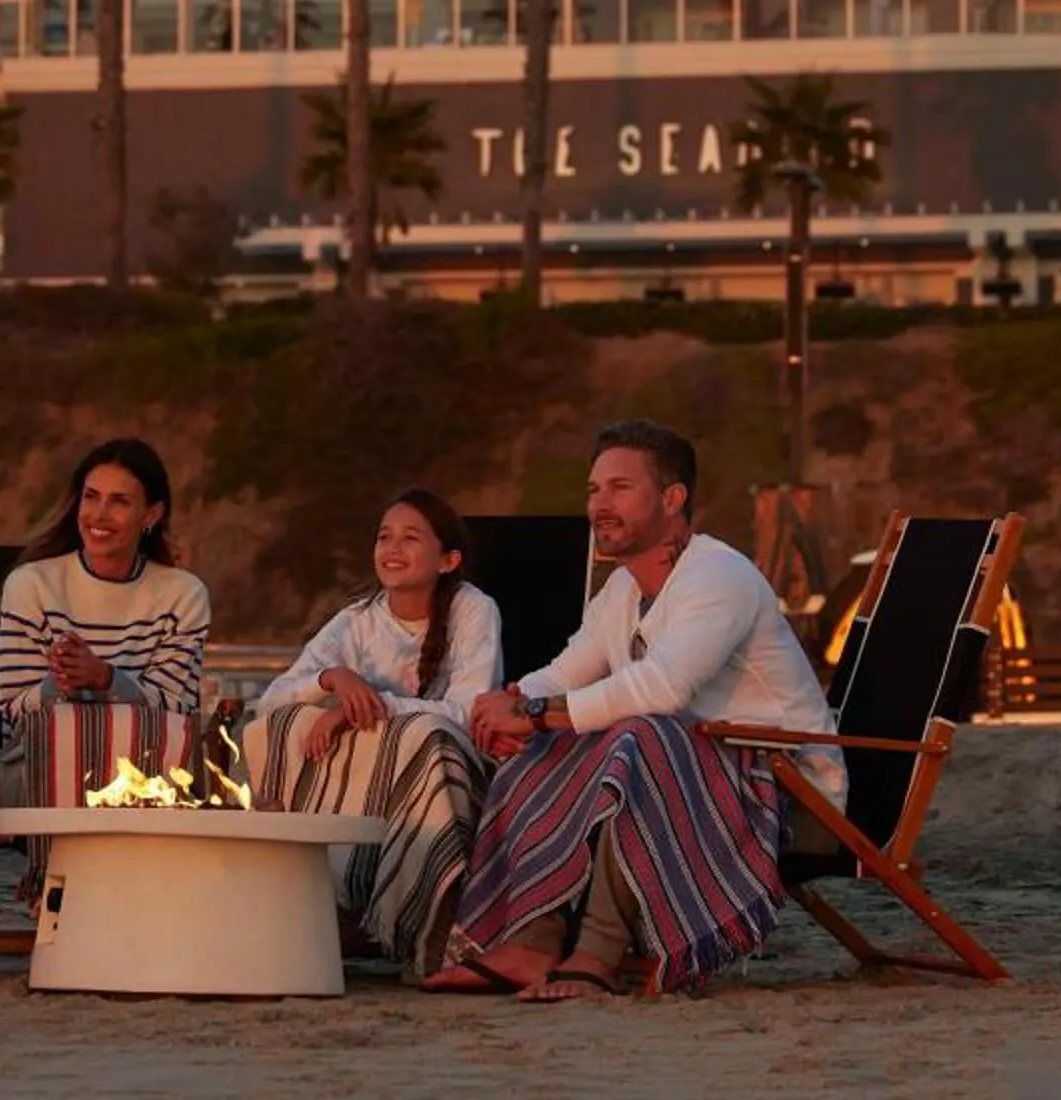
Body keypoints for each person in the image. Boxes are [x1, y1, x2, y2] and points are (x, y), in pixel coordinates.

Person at [428, 419, 839, 1001]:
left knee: (641, 736)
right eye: (594, 490)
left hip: (785, 789)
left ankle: (597, 952)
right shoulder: (622, 591)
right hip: (692, 773)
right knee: (549, 740)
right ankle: (532, 940)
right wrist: (510, 703)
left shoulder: (719, 575)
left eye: (620, 488)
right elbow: (568, 672)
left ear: (672, 499)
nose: (600, 505)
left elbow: (663, 687)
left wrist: (540, 710)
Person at [245, 489, 502, 973]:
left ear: (448, 559)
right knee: (279, 727)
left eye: (410, 538)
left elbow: (466, 711)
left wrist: (363, 708)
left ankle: (416, 917)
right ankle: (325, 901)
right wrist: (333, 680)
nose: (392, 548)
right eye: (385, 537)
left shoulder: (474, 610)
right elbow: (274, 698)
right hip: (374, 766)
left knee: (427, 736)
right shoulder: (356, 620)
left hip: (446, 761)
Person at [0, 438, 213, 819]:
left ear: (151, 515)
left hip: (145, 764)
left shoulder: (182, 595)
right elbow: (13, 710)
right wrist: (58, 684)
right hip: (41, 761)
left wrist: (106, 678)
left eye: (119, 502)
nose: (99, 514)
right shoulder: (32, 585)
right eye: (91, 497)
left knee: (154, 776)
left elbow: (179, 709)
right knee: (74, 768)